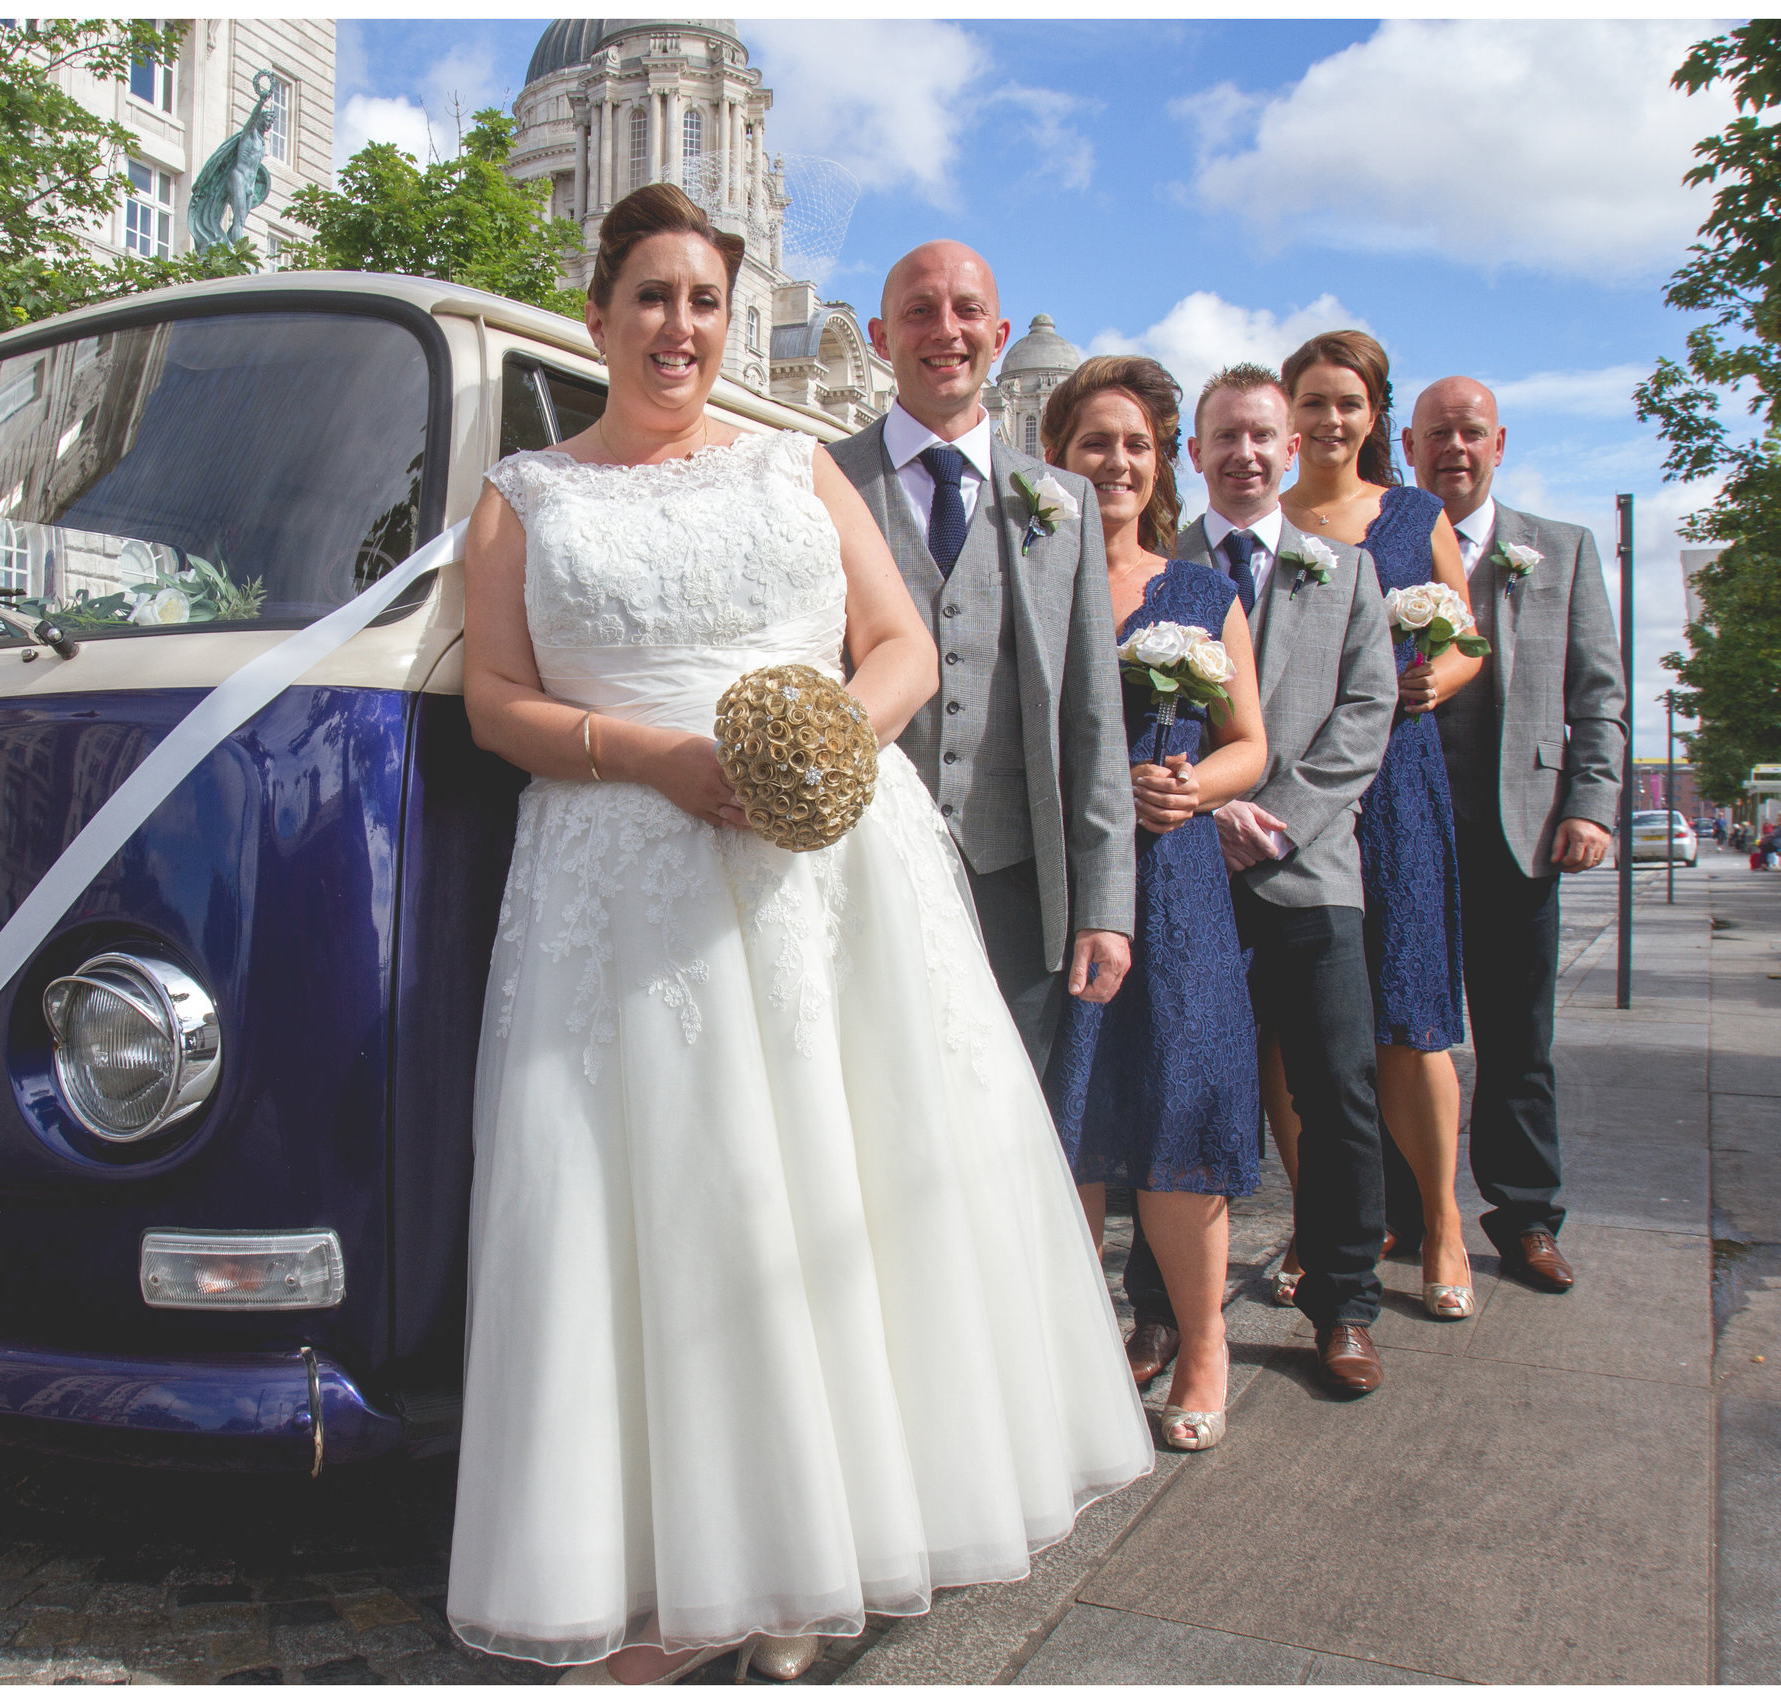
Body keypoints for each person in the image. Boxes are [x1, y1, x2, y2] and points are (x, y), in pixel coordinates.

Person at [447, 185, 1153, 1684]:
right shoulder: (526, 495)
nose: (678, 328)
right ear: (598, 318)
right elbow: (495, 701)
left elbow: (893, 648)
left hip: (826, 868)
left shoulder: (797, 468)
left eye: (702, 299)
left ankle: (827, 1549)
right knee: (675, 1204)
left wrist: (817, 754)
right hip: (619, 870)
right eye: (648, 297)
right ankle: (689, 1564)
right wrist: (653, 759)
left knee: (845, 1183)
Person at [1126, 363, 1397, 1395]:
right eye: (1222, 437)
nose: (1243, 454)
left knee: (1338, 1093)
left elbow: (1364, 717)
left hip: (1310, 870)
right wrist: (1210, 806)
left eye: (1261, 437)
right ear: (1192, 454)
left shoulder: (1351, 574)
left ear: (1292, 452)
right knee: (1176, 1091)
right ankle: (1160, 1313)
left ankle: (1343, 1305)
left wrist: (1275, 821)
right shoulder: (1157, 570)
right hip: (1186, 873)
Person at [829, 240, 1137, 1070]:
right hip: (861, 868)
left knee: (1012, 1127)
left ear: (997, 335)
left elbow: (1094, 717)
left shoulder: (1062, 501)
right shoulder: (820, 479)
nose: (946, 331)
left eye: (966, 312)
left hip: (1017, 875)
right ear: (878, 335)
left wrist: (1106, 903)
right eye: (920, 311)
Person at [1039, 356, 1266, 1451]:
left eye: (1135, 444)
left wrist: (1186, 785)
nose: (1116, 462)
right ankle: (1077, 1362)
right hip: (1070, 877)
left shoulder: (1200, 593)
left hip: (1175, 883)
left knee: (1179, 1107)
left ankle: (1203, 1345)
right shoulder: (1036, 580)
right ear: (1058, 459)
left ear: (1161, 462)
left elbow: (1249, 747)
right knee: (1071, 1118)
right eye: (1094, 443)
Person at [1272, 332, 1483, 1321]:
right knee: (1295, 1029)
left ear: (1372, 415)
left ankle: (1440, 1224)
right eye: (1311, 402)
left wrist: (1435, 677)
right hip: (1294, 786)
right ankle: (1321, 1233)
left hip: (1396, 780)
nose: (1328, 421)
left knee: (1409, 1018)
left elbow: (1467, 636)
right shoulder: (1263, 523)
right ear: (1287, 411)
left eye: (1346, 403)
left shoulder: (1413, 515)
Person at [1406, 376, 1626, 1293]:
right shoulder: (1387, 545)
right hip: (1410, 830)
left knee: (1516, 1038)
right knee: (1407, 1035)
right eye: (1436, 436)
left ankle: (1526, 1213)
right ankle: (1404, 1213)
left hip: (1522, 835)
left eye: (1470, 433)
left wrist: (1591, 804)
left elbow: (1600, 696)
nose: (1454, 449)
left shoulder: (1561, 550)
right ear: (1410, 450)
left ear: (1500, 442)